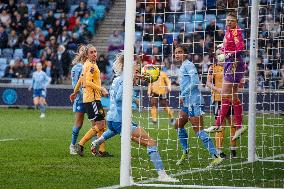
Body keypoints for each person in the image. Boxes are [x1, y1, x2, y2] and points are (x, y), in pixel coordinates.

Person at [91, 52, 179, 182]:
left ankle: (97, 142)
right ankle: (162, 175)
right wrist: (134, 99)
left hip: (113, 118)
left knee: (115, 130)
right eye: (136, 70)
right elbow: (119, 97)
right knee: (151, 142)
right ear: (129, 68)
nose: (138, 72)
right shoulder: (125, 80)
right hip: (120, 120)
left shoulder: (117, 78)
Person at [174, 45, 223, 168]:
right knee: (178, 125)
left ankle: (216, 157)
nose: (177, 54)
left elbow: (195, 82)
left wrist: (182, 94)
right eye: (176, 53)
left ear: (185, 54)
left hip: (194, 102)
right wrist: (183, 96)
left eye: (180, 52)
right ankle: (186, 152)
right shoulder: (183, 66)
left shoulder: (189, 65)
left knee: (199, 131)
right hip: (187, 102)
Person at [205, 11, 247, 140]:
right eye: (227, 20)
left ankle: (218, 124)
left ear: (236, 21)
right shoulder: (228, 30)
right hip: (231, 64)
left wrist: (227, 55)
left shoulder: (236, 32)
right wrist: (222, 47)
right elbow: (230, 45)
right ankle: (239, 126)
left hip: (234, 64)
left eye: (231, 21)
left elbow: (241, 48)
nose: (228, 23)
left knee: (224, 94)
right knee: (233, 96)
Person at [70, 44, 111, 157]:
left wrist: (74, 92)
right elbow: (87, 82)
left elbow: (81, 80)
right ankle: (81, 144)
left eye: (95, 51)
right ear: (87, 55)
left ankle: (101, 151)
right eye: (91, 52)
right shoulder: (91, 66)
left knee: (102, 124)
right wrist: (101, 88)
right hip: (92, 99)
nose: (94, 54)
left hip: (93, 98)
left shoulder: (89, 64)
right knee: (101, 124)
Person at [206, 45, 237, 158]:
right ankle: (219, 150)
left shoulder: (231, 67)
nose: (220, 55)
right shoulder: (212, 68)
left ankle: (233, 148)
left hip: (230, 98)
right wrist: (218, 89)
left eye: (222, 53)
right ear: (216, 55)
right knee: (220, 125)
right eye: (218, 53)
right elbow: (208, 83)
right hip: (219, 99)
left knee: (233, 123)